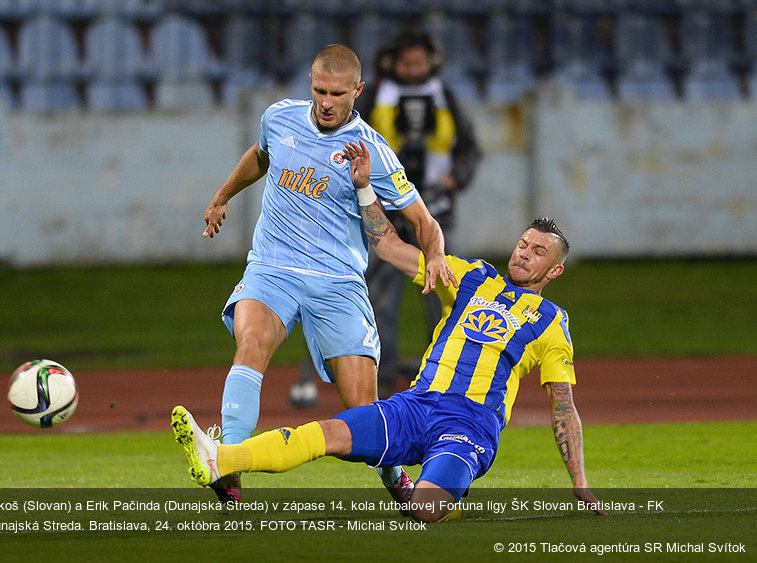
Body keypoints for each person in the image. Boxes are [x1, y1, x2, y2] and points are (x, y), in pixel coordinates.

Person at [172, 140, 604, 522]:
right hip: (416, 406)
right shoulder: (470, 277)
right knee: (329, 433)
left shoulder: (551, 322)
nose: (524, 254)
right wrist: (364, 188)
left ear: (555, 269)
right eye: (523, 244)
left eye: (538, 252)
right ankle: (219, 460)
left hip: (470, 426)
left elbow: (563, 406)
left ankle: (439, 490)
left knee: (424, 510)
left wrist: (580, 480)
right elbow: (388, 247)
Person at [199, 45, 452, 504]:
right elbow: (260, 156)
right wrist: (222, 197)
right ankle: (228, 463)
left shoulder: (370, 149)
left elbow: (423, 220)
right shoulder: (279, 118)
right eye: (319, 90)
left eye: (337, 93)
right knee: (250, 343)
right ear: (310, 83)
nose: (326, 101)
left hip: (338, 282)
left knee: (361, 406)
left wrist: (434, 255)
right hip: (272, 268)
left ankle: (395, 476)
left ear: (358, 90)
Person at [290, 28, 481, 404]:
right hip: (381, 211)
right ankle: (383, 379)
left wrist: (456, 177)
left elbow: (469, 148)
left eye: (421, 62)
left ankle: (444, 379)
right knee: (379, 300)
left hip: (433, 209)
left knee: (445, 294)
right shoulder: (374, 96)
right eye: (407, 62)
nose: (414, 69)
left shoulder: (446, 97)